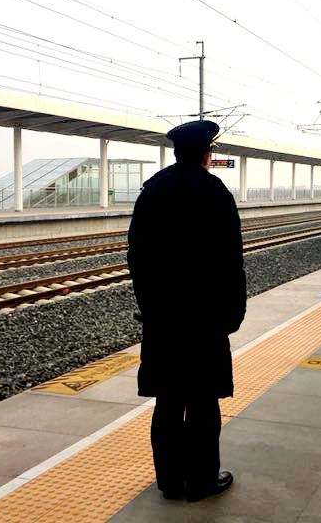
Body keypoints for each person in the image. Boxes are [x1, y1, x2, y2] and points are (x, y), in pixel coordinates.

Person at [127, 120, 246, 502]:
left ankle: (169, 481)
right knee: (203, 401)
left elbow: (136, 257)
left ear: (176, 152)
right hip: (206, 320)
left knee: (167, 401)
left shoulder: (152, 191)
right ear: (206, 154)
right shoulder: (216, 192)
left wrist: (150, 307)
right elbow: (231, 260)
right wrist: (233, 314)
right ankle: (202, 480)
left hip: (163, 320)